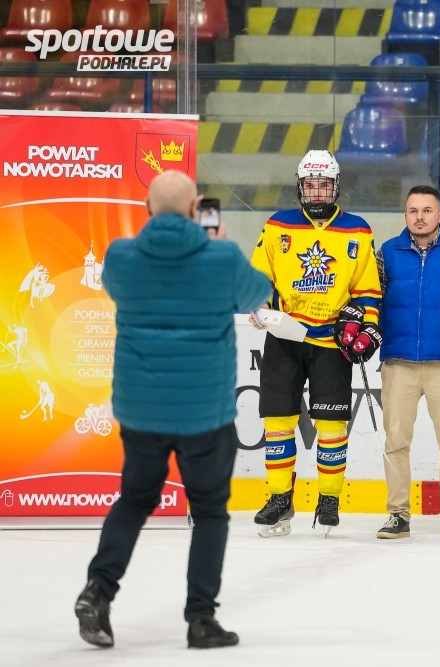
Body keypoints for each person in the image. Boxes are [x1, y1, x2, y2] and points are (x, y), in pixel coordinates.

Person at [74, 170, 271, 649]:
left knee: (134, 500)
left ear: (147, 207)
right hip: (205, 412)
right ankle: (201, 619)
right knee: (209, 513)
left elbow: (118, 289)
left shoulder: (120, 255)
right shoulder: (221, 257)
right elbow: (258, 294)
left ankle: (98, 590)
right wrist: (219, 245)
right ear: (195, 208)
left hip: (142, 409)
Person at [249, 149, 383, 538]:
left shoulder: (357, 230)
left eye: (324, 185)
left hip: (331, 343)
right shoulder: (277, 224)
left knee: (331, 425)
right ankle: (279, 497)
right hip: (284, 337)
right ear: (300, 186)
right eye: (311, 185)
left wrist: (368, 327)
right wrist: (258, 303)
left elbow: (368, 289)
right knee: (277, 423)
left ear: (336, 186)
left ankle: (328, 499)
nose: (318, 192)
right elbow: (259, 277)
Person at [374, 185, 440, 539]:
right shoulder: (387, 253)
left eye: (427, 210)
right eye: (413, 211)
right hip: (398, 362)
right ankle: (397, 515)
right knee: (396, 441)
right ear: (406, 215)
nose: (420, 217)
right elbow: (372, 301)